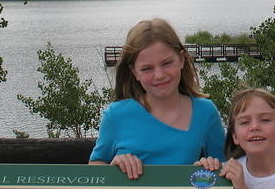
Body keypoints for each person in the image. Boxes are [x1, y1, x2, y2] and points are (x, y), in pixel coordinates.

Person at [89, 19, 225, 177]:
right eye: (147, 69)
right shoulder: (115, 115)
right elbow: (95, 169)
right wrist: (113, 168)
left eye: (167, 63)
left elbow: (224, 167)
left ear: (181, 59)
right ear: (134, 72)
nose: (159, 75)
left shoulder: (206, 111)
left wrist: (209, 166)